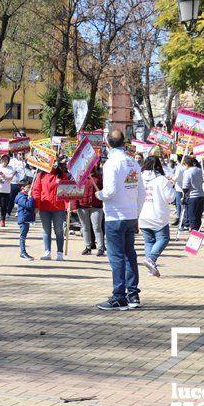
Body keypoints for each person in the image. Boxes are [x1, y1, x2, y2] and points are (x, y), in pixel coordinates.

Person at [94, 129, 145, 311]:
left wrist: (98, 194)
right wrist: (136, 212)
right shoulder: (132, 162)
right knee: (129, 255)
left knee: (117, 257)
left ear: (108, 144)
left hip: (115, 215)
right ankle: (133, 294)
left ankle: (119, 296)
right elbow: (141, 192)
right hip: (130, 214)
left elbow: (109, 191)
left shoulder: (111, 163)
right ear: (124, 143)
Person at [139, 156, 176, 277]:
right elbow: (170, 198)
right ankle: (151, 259)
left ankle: (151, 266)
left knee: (149, 241)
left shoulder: (139, 178)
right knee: (163, 239)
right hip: (158, 215)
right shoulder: (162, 180)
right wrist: (172, 186)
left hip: (143, 214)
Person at [31, 161, 68, 261]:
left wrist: (68, 204)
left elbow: (67, 190)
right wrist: (36, 205)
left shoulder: (62, 175)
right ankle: (47, 251)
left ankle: (60, 252)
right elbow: (36, 191)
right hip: (44, 207)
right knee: (46, 230)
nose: (53, 164)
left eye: (54, 162)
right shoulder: (40, 175)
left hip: (59, 208)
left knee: (59, 230)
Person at [76, 167, 105, 256]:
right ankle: (87, 246)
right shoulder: (79, 177)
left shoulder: (99, 177)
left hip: (96, 206)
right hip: (82, 206)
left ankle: (101, 247)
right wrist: (74, 205)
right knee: (85, 227)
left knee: (97, 227)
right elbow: (75, 191)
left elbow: (104, 190)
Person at [182, 155, 204, 231]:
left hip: (192, 196)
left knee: (192, 217)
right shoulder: (199, 170)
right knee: (198, 216)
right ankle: (198, 231)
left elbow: (185, 186)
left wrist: (184, 196)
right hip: (201, 195)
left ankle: (194, 233)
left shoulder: (187, 172)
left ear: (186, 164)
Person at [15, 178, 36, 261]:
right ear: (23, 188)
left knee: (24, 235)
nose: (30, 189)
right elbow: (28, 205)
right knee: (22, 236)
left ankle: (24, 252)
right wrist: (30, 197)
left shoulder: (24, 196)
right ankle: (22, 252)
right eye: (28, 187)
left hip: (26, 218)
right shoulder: (21, 197)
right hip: (23, 219)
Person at [0, 154, 14, 227]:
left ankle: (3, 220)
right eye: (3, 159)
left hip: (6, 190)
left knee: (3, 206)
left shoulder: (10, 168)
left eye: (6, 159)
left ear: (8, 161)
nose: (4, 161)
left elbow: (10, 178)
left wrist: (4, 176)